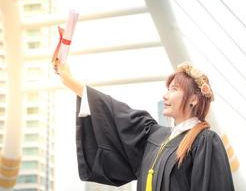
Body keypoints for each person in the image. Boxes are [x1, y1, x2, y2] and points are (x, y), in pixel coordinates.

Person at [52, 56, 235, 191]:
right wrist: (69, 81)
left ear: (193, 99)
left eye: (174, 89)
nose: (165, 95)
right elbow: (114, 112)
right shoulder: (153, 136)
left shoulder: (205, 142)